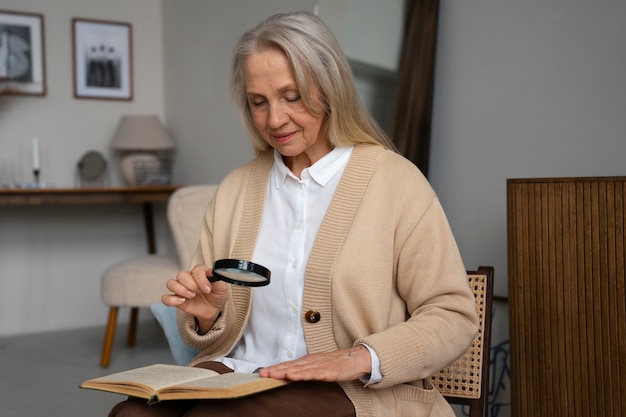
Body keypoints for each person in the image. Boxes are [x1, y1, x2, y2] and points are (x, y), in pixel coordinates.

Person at [109, 10, 479, 417]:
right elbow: (208, 323)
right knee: (131, 414)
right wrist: (207, 315)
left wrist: (358, 357)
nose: (275, 119)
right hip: (239, 372)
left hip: (349, 389)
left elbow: (453, 315)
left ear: (330, 89)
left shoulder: (397, 182)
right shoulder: (235, 188)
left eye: (292, 96)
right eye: (258, 102)